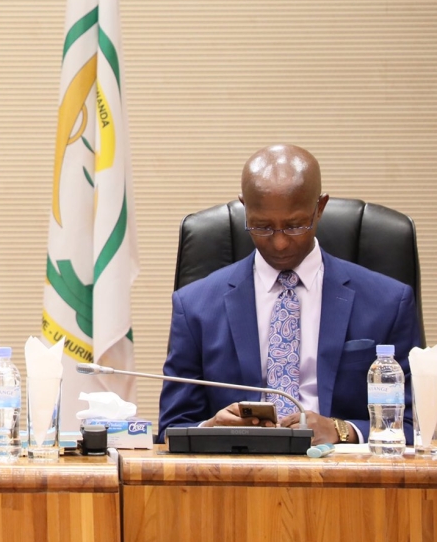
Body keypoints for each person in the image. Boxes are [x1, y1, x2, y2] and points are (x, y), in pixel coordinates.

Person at [159, 145, 421, 445]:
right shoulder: (194, 306)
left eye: (295, 225)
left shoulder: (389, 302)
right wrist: (210, 428)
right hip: (234, 479)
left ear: (319, 208)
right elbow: (172, 427)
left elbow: (416, 423)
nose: (280, 243)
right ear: (246, 208)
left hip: (342, 478)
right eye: (262, 226)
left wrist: (341, 430)